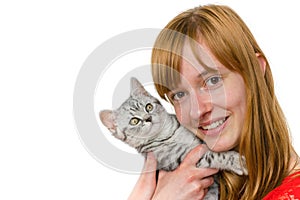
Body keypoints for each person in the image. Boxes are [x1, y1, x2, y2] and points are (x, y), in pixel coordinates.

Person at [128, 4, 300, 200]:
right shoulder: (181, 188)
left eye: (213, 81)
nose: (198, 110)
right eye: (179, 94)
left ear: (256, 70)